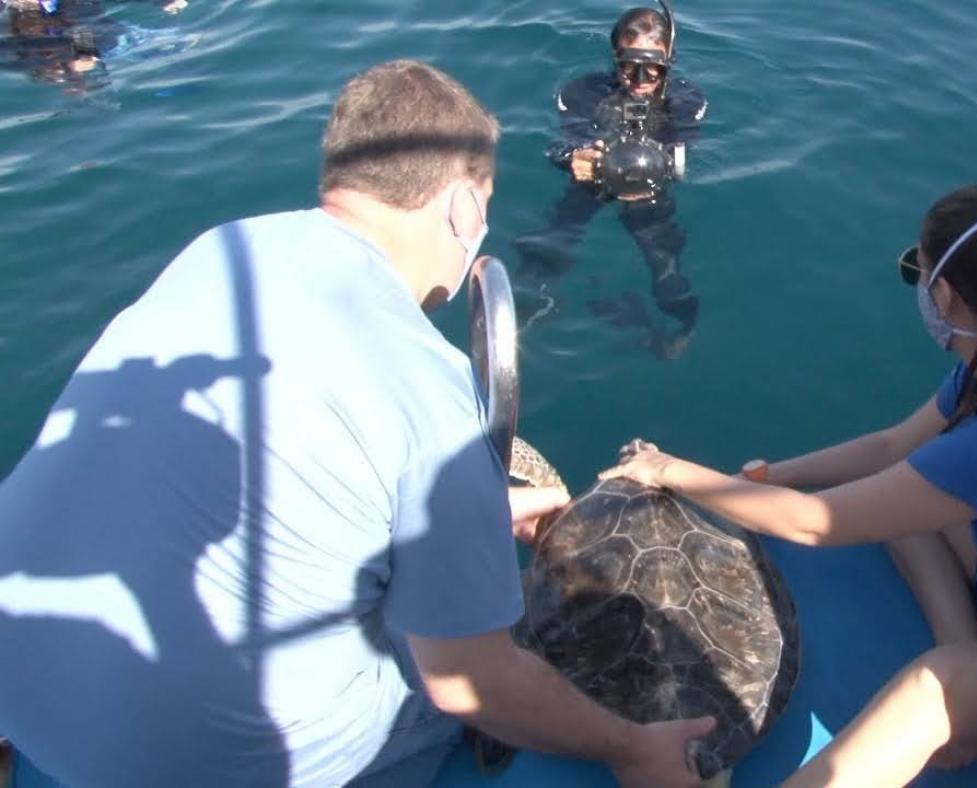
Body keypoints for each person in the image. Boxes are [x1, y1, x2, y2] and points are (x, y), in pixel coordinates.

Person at [0, 60, 711, 788]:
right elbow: (470, 683)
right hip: (190, 766)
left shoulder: (224, 250)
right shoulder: (431, 389)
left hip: (14, 680)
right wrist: (629, 749)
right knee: (478, 672)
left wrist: (459, 515)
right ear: (466, 210)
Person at [600, 184, 977, 786]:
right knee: (900, 488)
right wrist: (767, 477)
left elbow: (815, 523)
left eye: (918, 275)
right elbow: (891, 448)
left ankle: (970, 693)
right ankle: (969, 646)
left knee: (939, 688)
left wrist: (674, 471)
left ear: (945, 296)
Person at [513, 2, 706, 359]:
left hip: (645, 186)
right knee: (552, 242)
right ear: (614, 58)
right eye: (629, 68)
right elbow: (561, 143)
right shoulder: (581, 92)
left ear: (669, 63)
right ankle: (525, 313)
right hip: (594, 178)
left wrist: (655, 168)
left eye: (653, 71)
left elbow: (683, 154)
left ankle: (679, 327)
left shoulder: (687, 99)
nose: (640, 82)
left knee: (663, 257)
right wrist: (574, 158)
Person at [2, 0, 187, 93]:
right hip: (84, 52)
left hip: (113, 42)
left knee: (179, 47)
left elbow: (82, 24)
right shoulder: (16, 11)